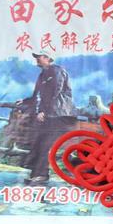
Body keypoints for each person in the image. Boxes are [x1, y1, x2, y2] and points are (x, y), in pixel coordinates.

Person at [20, 52, 76, 183]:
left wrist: (43, 111)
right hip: (50, 116)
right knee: (39, 141)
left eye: (38, 57)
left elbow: (55, 92)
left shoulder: (57, 71)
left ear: (47, 58)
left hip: (60, 116)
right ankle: (37, 175)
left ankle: (41, 175)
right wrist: (24, 101)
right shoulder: (42, 75)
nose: (36, 59)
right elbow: (37, 95)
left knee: (45, 143)